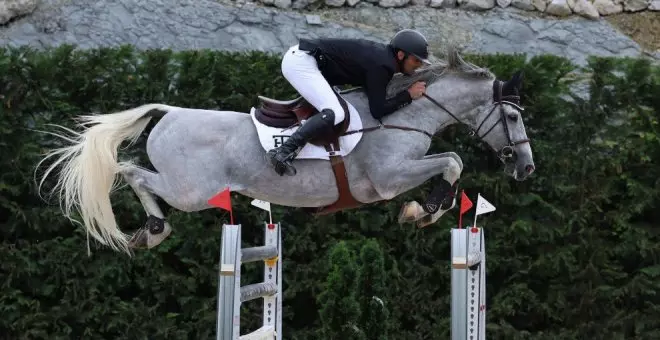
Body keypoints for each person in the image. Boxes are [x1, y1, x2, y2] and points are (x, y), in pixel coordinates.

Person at [267, 29, 431, 176]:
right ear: (401, 55)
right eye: (416, 61)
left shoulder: (383, 58)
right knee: (335, 112)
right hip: (302, 64)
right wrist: (408, 95)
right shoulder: (383, 64)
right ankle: (282, 152)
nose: (419, 66)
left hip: (307, 61)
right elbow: (377, 110)